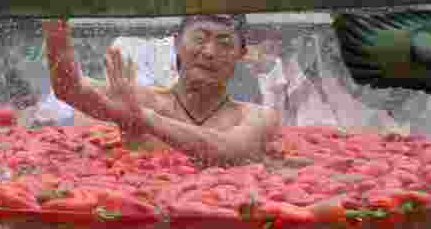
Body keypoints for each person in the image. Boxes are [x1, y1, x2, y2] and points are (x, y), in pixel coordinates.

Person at [43, 14, 279, 164]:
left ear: (241, 55)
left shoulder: (259, 117)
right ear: (176, 43)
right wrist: (54, 21)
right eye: (200, 38)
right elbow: (69, 88)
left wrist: (143, 118)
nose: (209, 52)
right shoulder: (141, 100)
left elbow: (231, 151)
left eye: (224, 43)